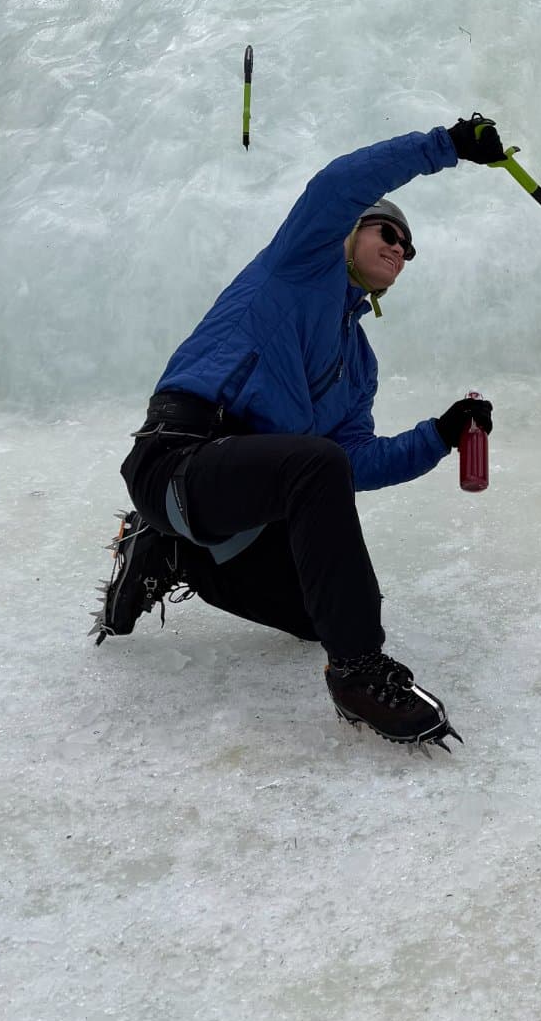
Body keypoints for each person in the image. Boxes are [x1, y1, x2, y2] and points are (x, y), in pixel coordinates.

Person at [94, 116, 508, 748]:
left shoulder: (359, 359)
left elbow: (351, 460)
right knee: (313, 475)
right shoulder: (301, 262)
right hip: (179, 459)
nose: (400, 247)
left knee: (317, 610)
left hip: (242, 501)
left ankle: (170, 552)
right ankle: (359, 673)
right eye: (387, 231)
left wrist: (441, 435)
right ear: (349, 231)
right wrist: (446, 146)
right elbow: (340, 182)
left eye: (409, 247)